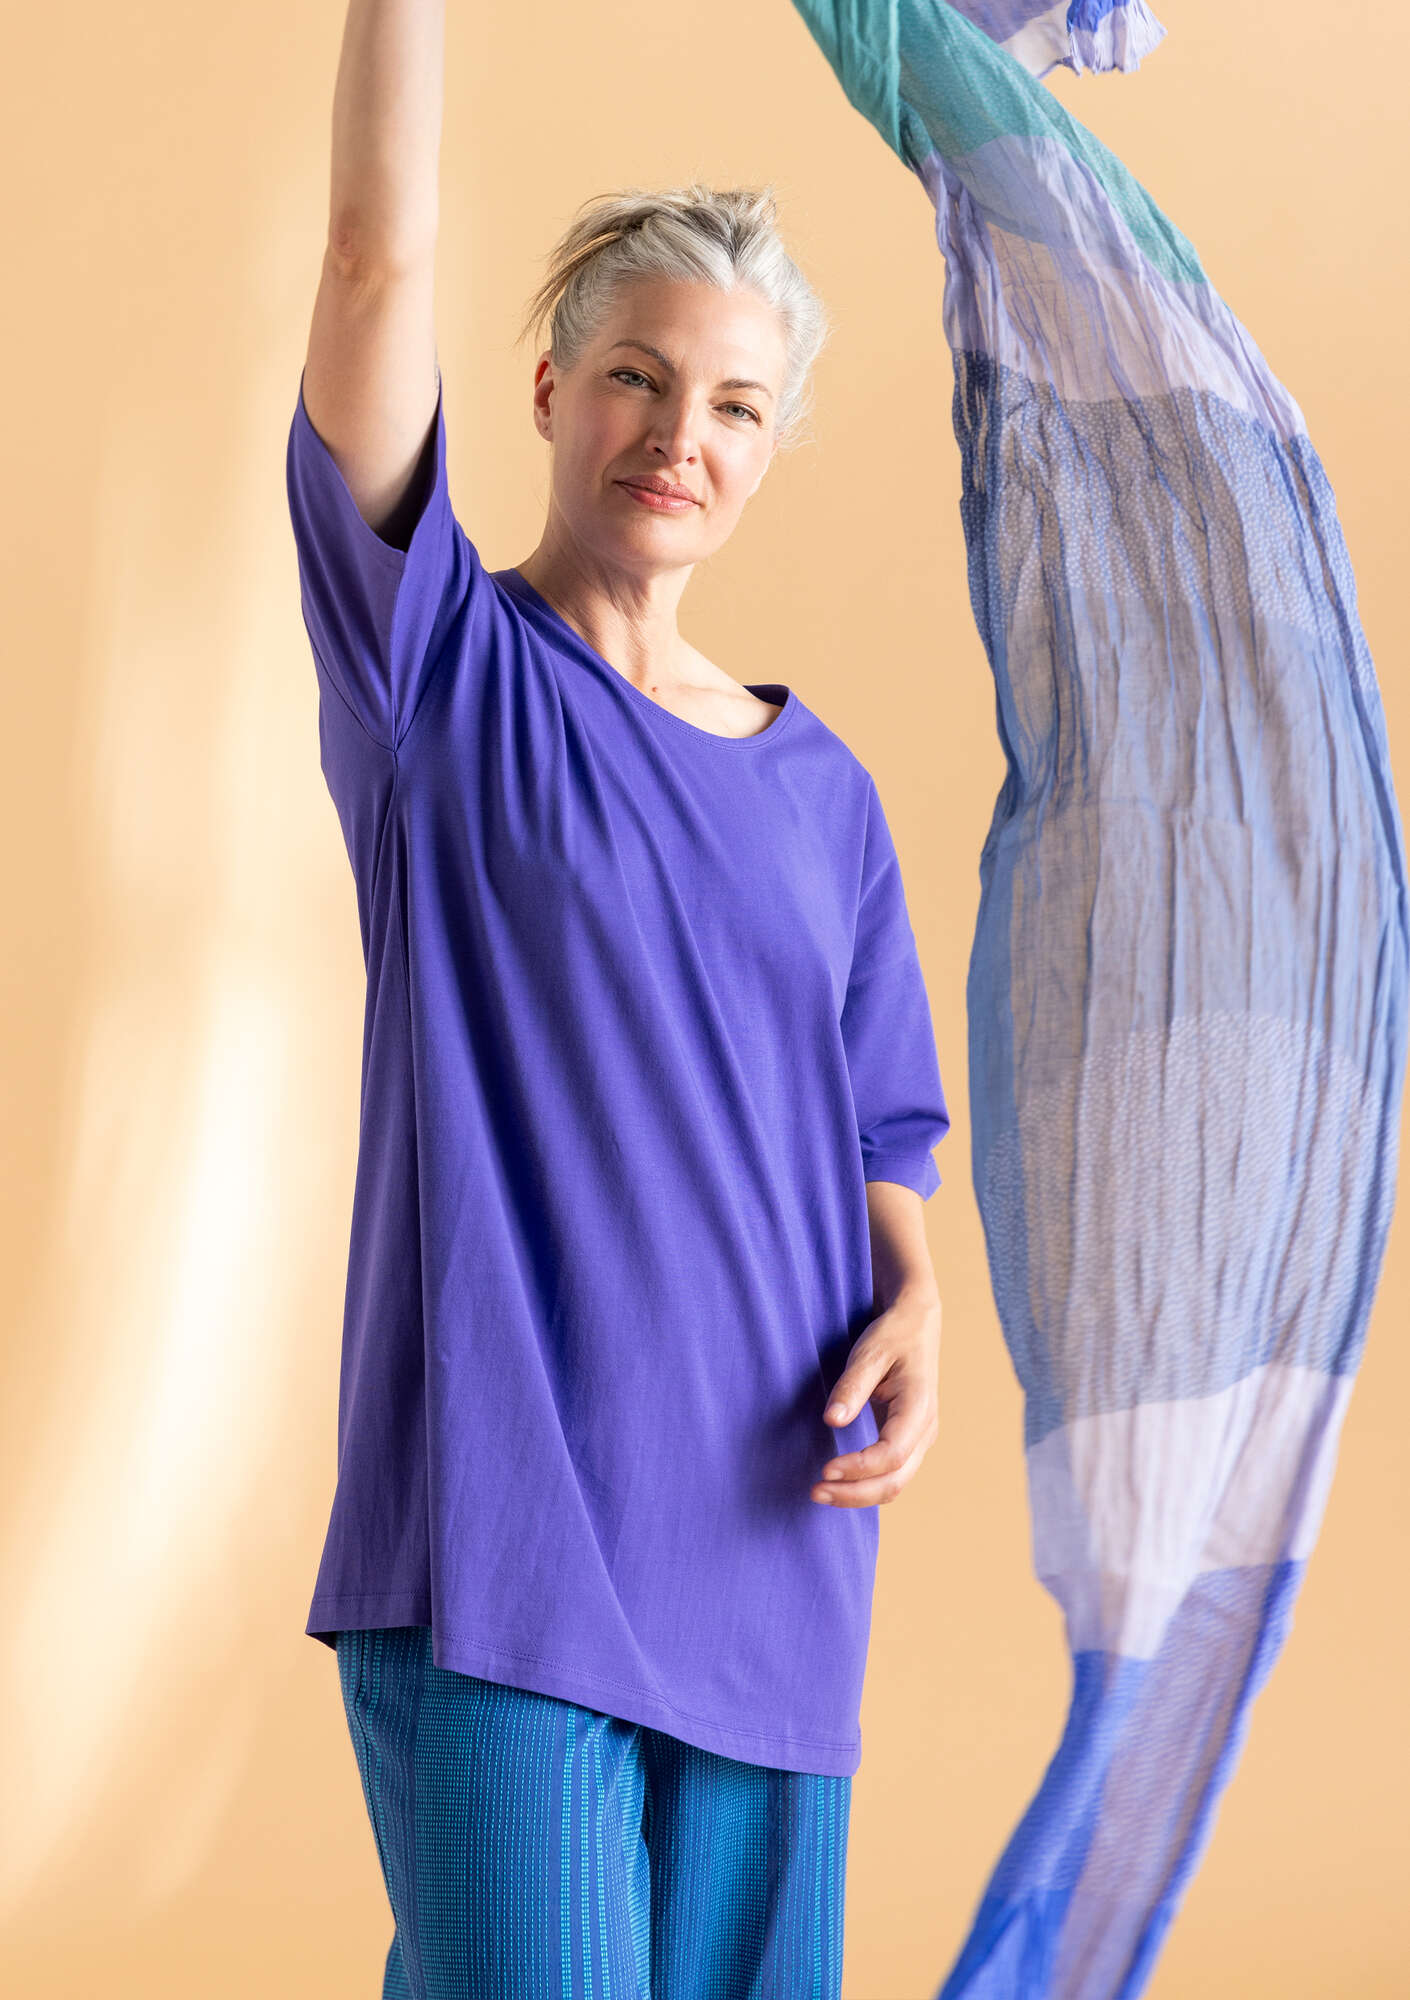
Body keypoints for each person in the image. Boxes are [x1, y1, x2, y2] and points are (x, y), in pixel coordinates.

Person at [285, 3, 951, 1994]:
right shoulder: (436, 674)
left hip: (776, 1546)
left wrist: (915, 1299)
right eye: (637, 379)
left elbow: (878, 1125)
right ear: (549, 390)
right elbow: (372, 257)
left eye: (736, 404)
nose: (680, 435)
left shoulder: (825, 794)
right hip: (510, 1550)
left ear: (772, 447)